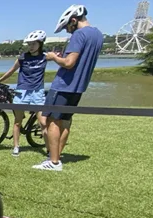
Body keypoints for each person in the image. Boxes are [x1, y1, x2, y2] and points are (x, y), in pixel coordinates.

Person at [33, 5, 103, 171]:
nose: (67, 31)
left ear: (73, 20)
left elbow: (69, 63)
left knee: (51, 121)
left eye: (67, 27)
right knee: (65, 121)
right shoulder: (98, 34)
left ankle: (54, 162)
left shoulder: (79, 34)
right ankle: (55, 157)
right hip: (79, 86)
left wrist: (53, 58)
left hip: (64, 85)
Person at [0, 30, 48, 157]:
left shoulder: (46, 56)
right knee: (18, 121)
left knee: (43, 123)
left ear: (40, 44)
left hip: (37, 92)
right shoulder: (23, 57)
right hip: (22, 91)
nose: (31, 46)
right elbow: (11, 71)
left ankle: (49, 150)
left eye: (33, 44)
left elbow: (63, 62)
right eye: (29, 44)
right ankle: (16, 147)